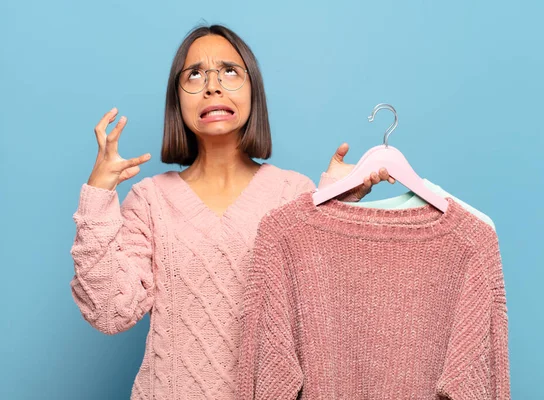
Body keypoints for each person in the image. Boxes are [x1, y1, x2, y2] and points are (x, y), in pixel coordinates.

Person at [70, 24, 394, 399]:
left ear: (253, 90)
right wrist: (97, 195)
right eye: (194, 74)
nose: (212, 85)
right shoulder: (150, 201)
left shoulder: (295, 193)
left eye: (229, 71)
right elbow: (110, 312)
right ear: (177, 100)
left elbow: (328, 318)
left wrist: (332, 203)